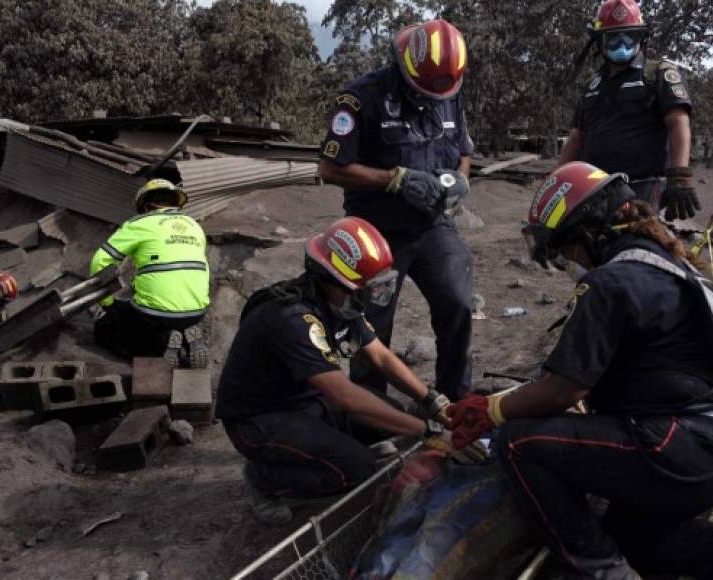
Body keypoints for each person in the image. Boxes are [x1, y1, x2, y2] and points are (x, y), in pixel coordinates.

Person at [444, 162, 713, 579]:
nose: (565, 264)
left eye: (563, 251)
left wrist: (492, 409)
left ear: (588, 233)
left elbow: (564, 390)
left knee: (519, 443)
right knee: (635, 538)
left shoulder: (611, 282)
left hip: (684, 449)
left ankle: (602, 572)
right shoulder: (672, 266)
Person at [215, 217, 480, 526]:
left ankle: (334, 450)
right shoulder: (292, 318)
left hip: (304, 402)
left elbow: (380, 357)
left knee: (389, 418)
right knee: (357, 472)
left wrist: (433, 402)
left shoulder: (342, 303)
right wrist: (428, 431)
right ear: (333, 279)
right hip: (259, 418)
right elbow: (345, 396)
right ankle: (264, 479)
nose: (371, 299)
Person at [318, 19, 474, 402]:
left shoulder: (448, 90)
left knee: (458, 303)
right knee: (371, 326)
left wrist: (458, 182)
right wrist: (394, 179)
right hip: (376, 233)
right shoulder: (360, 99)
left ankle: (455, 402)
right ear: (404, 66)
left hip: (432, 225)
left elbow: (464, 152)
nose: (430, 100)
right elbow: (330, 168)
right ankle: (372, 421)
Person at [559, 0, 700, 221]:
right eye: (612, 38)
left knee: (640, 248)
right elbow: (577, 138)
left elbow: (678, 123)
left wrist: (679, 177)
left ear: (640, 38)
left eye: (628, 37)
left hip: (644, 190)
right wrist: (558, 182)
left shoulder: (659, 74)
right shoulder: (592, 85)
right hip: (595, 192)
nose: (621, 44)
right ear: (599, 42)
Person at [90, 178, 210, 366]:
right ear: (174, 203)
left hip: (155, 315)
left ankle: (162, 345)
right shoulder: (194, 226)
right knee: (139, 309)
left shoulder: (140, 224)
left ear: (145, 206)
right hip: (197, 311)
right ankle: (185, 337)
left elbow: (100, 260)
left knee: (105, 329)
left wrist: (106, 303)